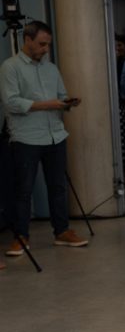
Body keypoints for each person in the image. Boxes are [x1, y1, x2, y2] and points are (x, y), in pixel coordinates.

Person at [0, 20, 88, 255]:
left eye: (48, 44)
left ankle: (62, 231)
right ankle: (21, 237)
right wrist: (48, 104)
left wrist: (68, 103)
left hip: (55, 136)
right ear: (27, 39)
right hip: (26, 138)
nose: (45, 49)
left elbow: (61, 95)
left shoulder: (51, 68)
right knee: (23, 190)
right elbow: (11, 102)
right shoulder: (10, 67)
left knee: (58, 187)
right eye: (41, 44)